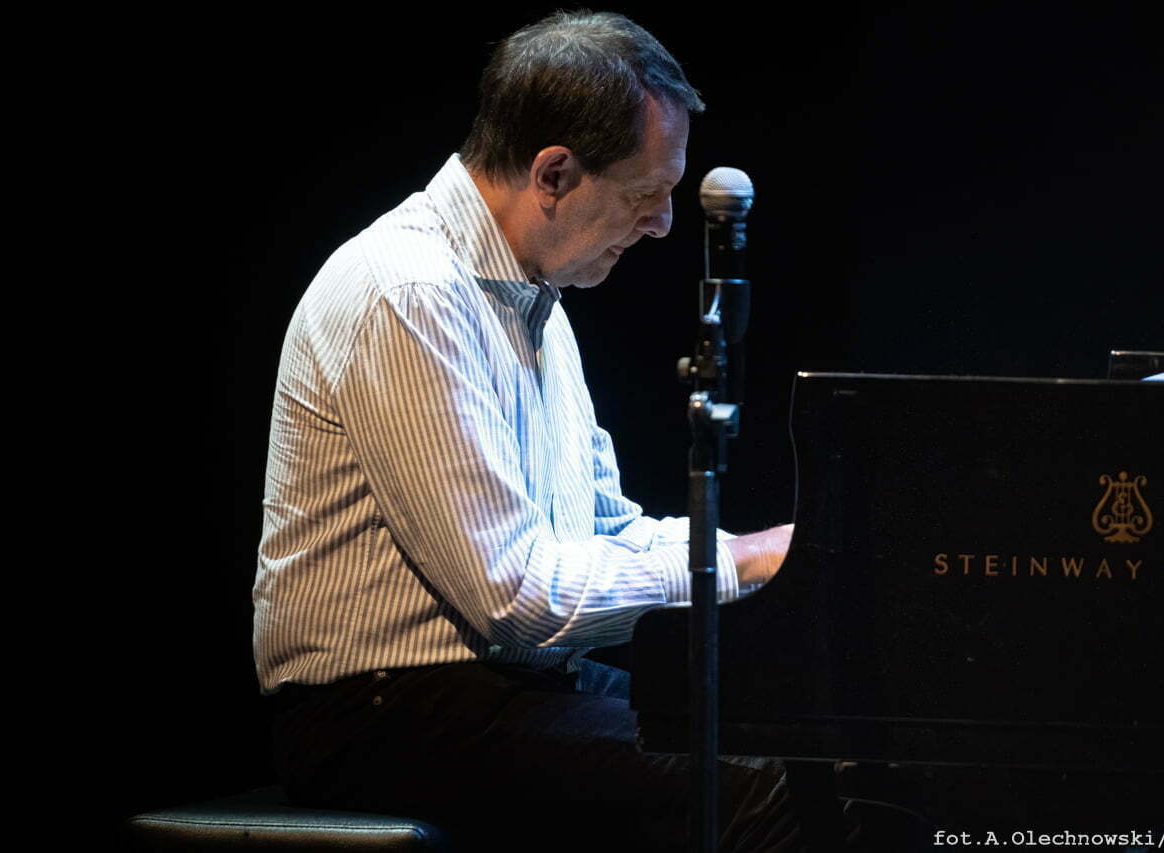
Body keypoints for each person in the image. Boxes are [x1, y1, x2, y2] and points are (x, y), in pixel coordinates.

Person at [253, 11, 819, 851]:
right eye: (645, 194)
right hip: (381, 712)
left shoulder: (536, 306)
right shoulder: (408, 292)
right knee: (766, 790)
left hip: (496, 692)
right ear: (553, 173)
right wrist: (733, 565)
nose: (663, 224)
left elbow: (604, 529)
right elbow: (515, 594)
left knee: (815, 749)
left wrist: (757, 550)